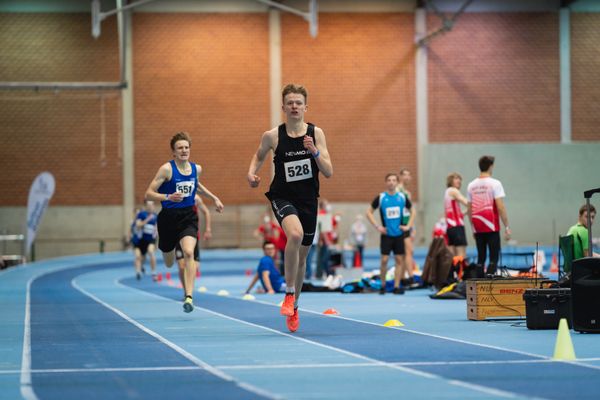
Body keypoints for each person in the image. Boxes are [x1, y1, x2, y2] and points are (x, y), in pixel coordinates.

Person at [247, 83, 333, 332]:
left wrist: (314, 151)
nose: (294, 106)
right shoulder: (273, 135)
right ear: (283, 107)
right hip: (282, 196)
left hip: (308, 200)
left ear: (306, 107)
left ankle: (294, 306)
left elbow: (328, 172)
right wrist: (251, 173)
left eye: (299, 102)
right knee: (293, 235)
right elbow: (259, 154)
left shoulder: (316, 133)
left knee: (303, 258)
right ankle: (288, 292)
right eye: (290, 102)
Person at [145, 131, 224, 313]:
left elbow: (197, 185)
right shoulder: (167, 169)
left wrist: (214, 198)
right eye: (180, 148)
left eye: (186, 147)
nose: (184, 150)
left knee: (189, 253)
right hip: (168, 218)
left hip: (188, 216)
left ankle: (188, 296)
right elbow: (148, 193)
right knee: (169, 262)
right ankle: (168, 248)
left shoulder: (196, 169)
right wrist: (167, 196)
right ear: (173, 152)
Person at [366, 173, 414, 295]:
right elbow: (369, 212)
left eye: (394, 180)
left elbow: (412, 211)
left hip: (399, 234)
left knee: (399, 260)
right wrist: (377, 226)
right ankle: (382, 285)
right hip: (386, 234)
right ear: (386, 182)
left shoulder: (402, 197)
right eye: (389, 180)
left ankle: (396, 286)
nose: (391, 182)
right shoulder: (381, 197)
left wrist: (408, 226)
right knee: (384, 260)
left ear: (397, 182)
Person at [467, 155, 510, 275]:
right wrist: (507, 226)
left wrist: (473, 228)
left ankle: (479, 286)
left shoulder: (471, 185)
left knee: (481, 258)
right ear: (491, 167)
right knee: (493, 258)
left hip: (478, 225)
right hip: (491, 225)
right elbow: (500, 207)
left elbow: (469, 209)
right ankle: (489, 285)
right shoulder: (495, 183)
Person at [175, 194, 212, 294]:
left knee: (194, 266)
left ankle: (189, 290)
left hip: (193, 235)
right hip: (178, 235)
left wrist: (208, 229)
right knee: (182, 266)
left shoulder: (196, 198)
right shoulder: (176, 195)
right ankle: (186, 291)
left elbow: (206, 212)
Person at [397, 167, 417, 287]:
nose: (408, 177)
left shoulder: (407, 193)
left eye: (409, 175)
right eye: (405, 175)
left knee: (405, 253)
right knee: (409, 251)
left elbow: (409, 212)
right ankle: (410, 277)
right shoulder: (398, 190)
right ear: (400, 177)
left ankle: (402, 278)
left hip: (406, 224)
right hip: (400, 225)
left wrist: (411, 226)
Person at [444, 172, 469, 257]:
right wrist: (477, 203)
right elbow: (466, 202)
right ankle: (461, 270)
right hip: (457, 227)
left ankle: (453, 270)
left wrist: (467, 211)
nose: (459, 181)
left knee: (453, 256)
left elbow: (456, 214)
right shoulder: (454, 191)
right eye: (456, 178)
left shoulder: (447, 192)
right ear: (450, 181)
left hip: (450, 228)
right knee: (461, 255)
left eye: (459, 179)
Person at [133, 200, 158, 280]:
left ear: (154, 206)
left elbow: (158, 228)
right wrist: (147, 220)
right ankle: (139, 270)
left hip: (151, 239)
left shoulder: (156, 216)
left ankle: (153, 273)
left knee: (151, 251)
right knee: (140, 257)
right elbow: (138, 225)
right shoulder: (141, 214)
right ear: (146, 206)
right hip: (141, 240)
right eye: (148, 205)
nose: (150, 207)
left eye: (152, 205)